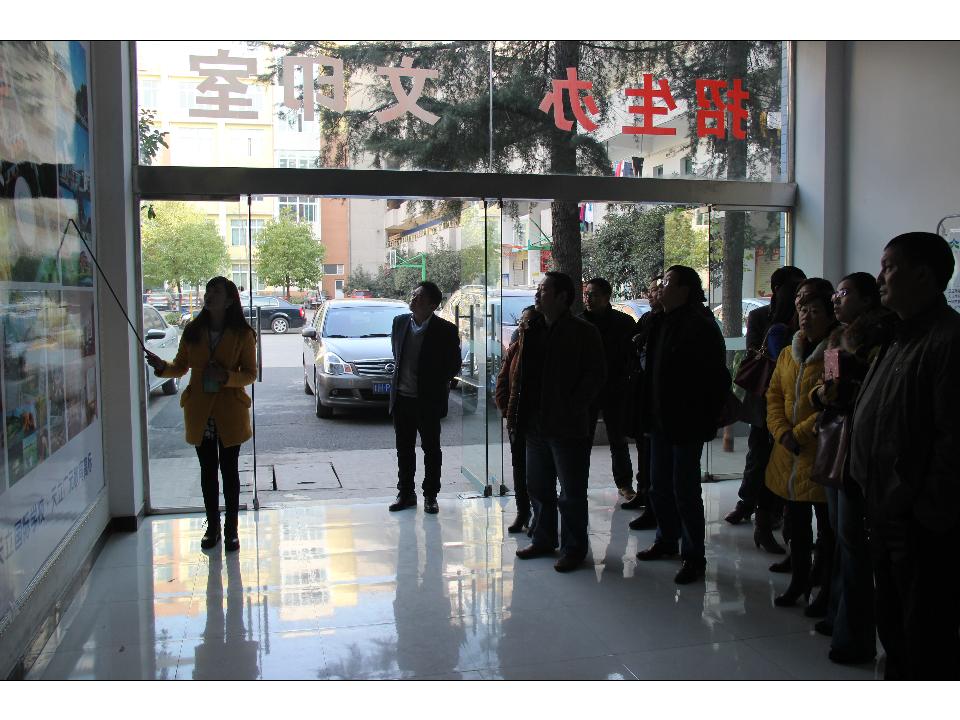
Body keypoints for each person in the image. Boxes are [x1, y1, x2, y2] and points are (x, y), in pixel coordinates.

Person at [849, 232, 960, 680]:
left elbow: (952, 441)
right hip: (885, 510)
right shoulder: (899, 336)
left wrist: (925, 511)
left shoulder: (948, 340)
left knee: (924, 636)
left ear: (923, 275)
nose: (879, 278)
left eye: (889, 267)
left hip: (919, 522)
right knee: (894, 627)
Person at [810, 272, 895, 663]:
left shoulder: (883, 338)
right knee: (841, 536)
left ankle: (853, 634)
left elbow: (835, 392)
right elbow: (828, 390)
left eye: (843, 293)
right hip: (836, 442)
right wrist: (824, 394)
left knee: (853, 542)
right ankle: (837, 616)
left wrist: (826, 394)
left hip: (858, 447)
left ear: (866, 299)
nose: (836, 300)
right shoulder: (835, 339)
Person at [146, 276, 257, 552]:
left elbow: (250, 374)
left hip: (230, 412)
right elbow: (180, 367)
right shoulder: (193, 330)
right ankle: (213, 526)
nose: (209, 295)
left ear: (229, 300)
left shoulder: (243, 334)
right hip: (200, 412)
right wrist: (162, 367)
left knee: (229, 471)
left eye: (216, 292)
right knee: (208, 471)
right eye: (208, 291)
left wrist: (226, 377)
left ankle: (232, 529)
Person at [634, 266, 730, 584]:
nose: (661, 287)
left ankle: (693, 556)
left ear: (685, 290)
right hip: (659, 420)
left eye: (668, 283)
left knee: (685, 491)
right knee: (659, 485)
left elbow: (715, 377)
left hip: (687, 422)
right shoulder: (660, 320)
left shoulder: (700, 325)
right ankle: (666, 539)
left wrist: (703, 416)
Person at [512, 272, 606, 573]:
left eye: (543, 290)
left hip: (567, 426)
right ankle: (543, 538)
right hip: (535, 423)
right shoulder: (533, 329)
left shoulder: (583, 331)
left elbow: (595, 376)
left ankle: (574, 549)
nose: (537, 295)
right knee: (538, 487)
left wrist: (572, 407)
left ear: (563, 297)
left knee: (571, 492)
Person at [764, 278, 837, 611]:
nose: (807, 316)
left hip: (820, 452)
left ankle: (824, 586)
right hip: (788, 451)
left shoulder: (835, 353)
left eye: (815, 310)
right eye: (802, 309)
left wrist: (800, 433)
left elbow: (833, 401)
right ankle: (799, 579)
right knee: (796, 523)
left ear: (830, 314)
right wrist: (782, 431)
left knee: (827, 528)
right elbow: (774, 396)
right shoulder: (787, 353)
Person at [725, 265, 806, 544]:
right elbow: (755, 351)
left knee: (784, 457)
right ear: (777, 289)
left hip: (793, 400)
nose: (798, 294)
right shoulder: (761, 316)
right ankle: (748, 503)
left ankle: (774, 510)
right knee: (758, 454)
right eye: (794, 288)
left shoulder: (803, 317)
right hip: (764, 397)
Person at [388, 281, 461, 515]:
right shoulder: (399, 323)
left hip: (428, 401)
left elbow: (453, 365)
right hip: (402, 399)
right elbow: (397, 354)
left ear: (432, 305)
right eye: (413, 294)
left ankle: (430, 495)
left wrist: (432, 381)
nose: (413, 298)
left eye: (418, 296)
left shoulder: (446, 330)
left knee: (431, 450)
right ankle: (406, 493)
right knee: (404, 449)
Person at [582, 277, 639, 504]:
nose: (588, 298)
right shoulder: (579, 322)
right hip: (587, 390)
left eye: (593, 294)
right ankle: (578, 484)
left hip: (615, 388)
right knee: (583, 440)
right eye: (586, 294)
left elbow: (632, 356)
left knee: (618, 438)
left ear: (607, 297)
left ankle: (624, 484)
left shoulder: (624, 323)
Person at [496, 305, 541, 534]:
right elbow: (503, 380)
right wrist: (506, 409)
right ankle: (522, 511)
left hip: (537, 421)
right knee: (519, 469)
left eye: (527, 321)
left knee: (537, 472)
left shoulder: (544, 350)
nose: (522, 325)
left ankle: (539, 516)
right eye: (521, 321)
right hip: (516, 419)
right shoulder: (515, 347)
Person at [624, 275, 663, 530]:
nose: (651, 295)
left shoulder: (672, 321)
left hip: (661, 401)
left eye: (656, 290)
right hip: (643, 395)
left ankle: (655, 506)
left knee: (656, 456)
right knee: (643, 448)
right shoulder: (649, 318)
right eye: (650, 291)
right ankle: (643, 492)